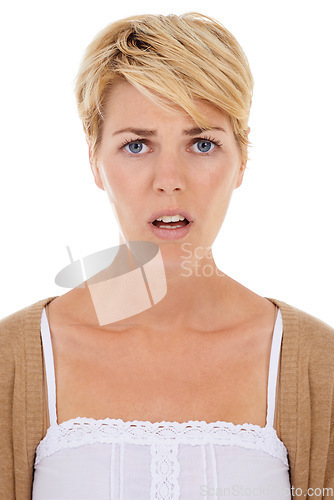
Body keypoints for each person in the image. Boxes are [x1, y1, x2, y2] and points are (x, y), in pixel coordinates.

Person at [0, 12, 333, 500]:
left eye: (202, 143)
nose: (169, 178)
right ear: (95, 161)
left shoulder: (318, 366)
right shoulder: (12, 362)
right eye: (137, 145)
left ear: (242, 160)